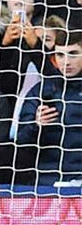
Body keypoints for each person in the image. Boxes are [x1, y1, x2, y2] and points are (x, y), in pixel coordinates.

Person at [17, 30, 82, 185]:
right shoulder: (40, 91)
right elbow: (21, 141)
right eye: (60, 55)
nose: (66, 61)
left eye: (73, 54)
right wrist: (36, 125)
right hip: (48, 180)